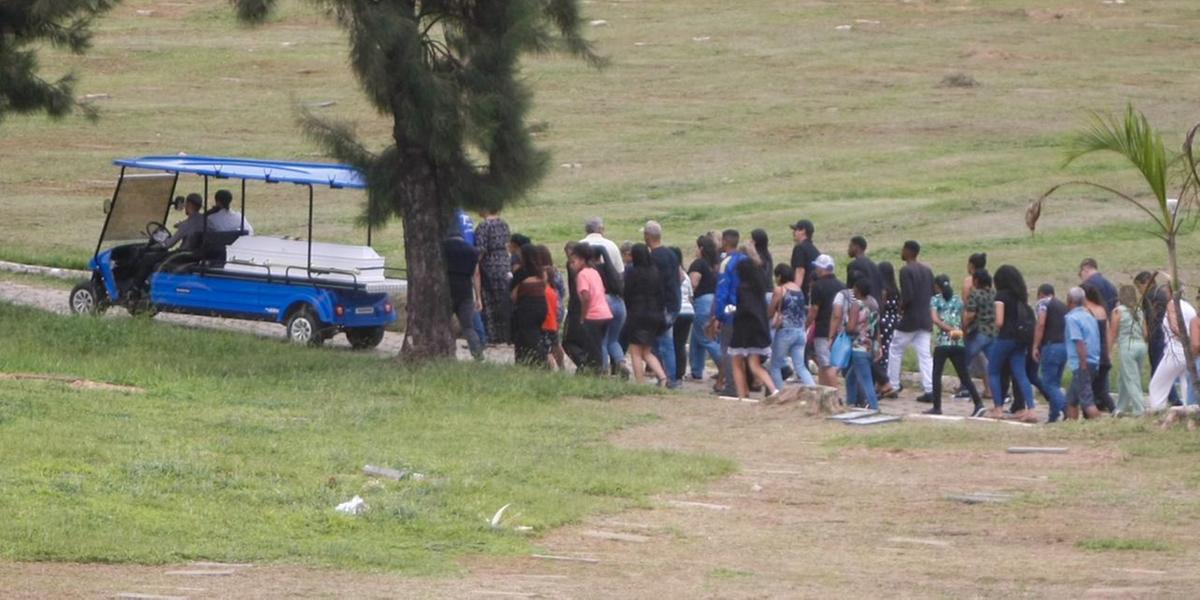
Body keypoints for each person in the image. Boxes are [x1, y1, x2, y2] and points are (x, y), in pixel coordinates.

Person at [926, 275, 983, 416]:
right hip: (958, 339)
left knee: (936, 374)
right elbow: (964, 320)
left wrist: (947, 329)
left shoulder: (935, 300)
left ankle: (937, 407)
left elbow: (935, 319)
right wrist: (958, 332)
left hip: (943, 341)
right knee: (963, 374)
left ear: (937, 287)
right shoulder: (958, 300)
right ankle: (978, 403)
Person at [986, 265, 1034, 420]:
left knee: (993, 371)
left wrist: (991, 323)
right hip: (1020, 339)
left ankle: (998, 408)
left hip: (1005, 337)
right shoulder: (1020, 296)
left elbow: (999, 321)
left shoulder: (1000, 296)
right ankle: (1030, 409)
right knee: (1020, 374)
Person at [888, 241, 934, 401]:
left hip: (910, 319)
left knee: (895, 350)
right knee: (925, 355)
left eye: (902, 249)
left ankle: (892, 385)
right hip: (925, 318)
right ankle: (930, 388)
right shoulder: (927, 270)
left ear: (908, 251)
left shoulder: (906, 270)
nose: (901, 252)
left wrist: (901, 308)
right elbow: (932, 293)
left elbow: (908, 296)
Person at [728, 253, 778, 401]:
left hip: (743, 330)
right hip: (759, 329)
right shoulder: (759, 288)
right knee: (754, 364)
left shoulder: (742, 288)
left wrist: (733, 311)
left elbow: (744, 309)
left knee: (736, 362)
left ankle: (741, 395)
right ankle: (773, 389)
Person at [623, 244, 669, 385]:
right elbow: (661, 293)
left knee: (635, 351)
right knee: (647, 352)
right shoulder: (655, 271)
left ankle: (640, 382)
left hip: (637, 314)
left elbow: (627, 293)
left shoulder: (632, 272)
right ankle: (663, 377)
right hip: (655, 314)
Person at [644, 220, 682, 387]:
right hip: (674, 302)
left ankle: (670, 379)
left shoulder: (652, 257)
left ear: (647, 236)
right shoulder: (671, 254)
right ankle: (667, 377)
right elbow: (680, 276)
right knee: (664, 343)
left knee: (664, 343)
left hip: (662, 305)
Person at [768, 263, 816, 390]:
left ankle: (779, 393)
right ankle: (814, 391)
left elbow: (770, 311)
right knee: (800, 367)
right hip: (800, 331)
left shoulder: (780, 290)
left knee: (775, 366)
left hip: (785, 331)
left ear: (779, 276)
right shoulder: (798, 289)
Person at [1148, 285, 1196, 412]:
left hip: (1175, 350)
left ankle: (1157, 410)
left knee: (1157, 385)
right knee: (1185, 382)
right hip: (1189, 352)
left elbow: (1175, 327)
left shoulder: (1171, 304)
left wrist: (1184, 338)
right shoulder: (1188, 306)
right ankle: (1188, 410)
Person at [1136, 271, 1179, 406]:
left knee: (1158, 369)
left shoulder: (1148, 297)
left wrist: (1146, 335)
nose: (1139, 291)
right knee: (1162, 368)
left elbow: (1148, 320)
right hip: (1167, 335)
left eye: (1139, 287)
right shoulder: (1163, 294)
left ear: (1146, 283)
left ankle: (1171, 400)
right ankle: (1169, 398)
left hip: (1156, 336)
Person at [568, 244, 613, 374]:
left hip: (593, 316)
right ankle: (599, 370)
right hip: (605, 313)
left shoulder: (582, 275)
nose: (572, 265)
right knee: (597, 346)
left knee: (592, 348)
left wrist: (583, 316)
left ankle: (596, 372)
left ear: (582, 260)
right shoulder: (594, 272)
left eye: (573, 261)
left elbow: (586, 297)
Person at [712, 230, 745, 396]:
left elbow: (722, 292)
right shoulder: (745, 261)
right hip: (746, 309)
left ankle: (732, 387)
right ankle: (743, 386)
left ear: (725, 242)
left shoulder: (727, 263)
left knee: (728, 350)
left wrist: (718, 316)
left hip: (731, 310)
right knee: (741, 351)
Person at [443, 230, 484, 361]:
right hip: (465, 293)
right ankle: (478, 355)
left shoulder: (442, 247)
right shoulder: (472, 251)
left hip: (446, 291)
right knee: (468, 327)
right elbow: (476, 275)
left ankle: (448, 353)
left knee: (443, 325)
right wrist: (478, 297)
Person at [840, 278, 880, 410]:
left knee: (866, 379)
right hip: (871, 345)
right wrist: (878, 346)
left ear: (859, 290)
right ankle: (851, 402)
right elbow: (877, 327)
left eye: (855, 288)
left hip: (859, 345)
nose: (853, 291)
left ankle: (873, 407)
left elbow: (851, 327)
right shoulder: (874, 303)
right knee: (851, 376)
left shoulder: (857, 304)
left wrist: (844, 328)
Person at [807, 254, 845, 387]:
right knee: (826, 365)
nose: (816, 269)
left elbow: (814, 310)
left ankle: (834, 395)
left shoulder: (818, 286)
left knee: (826, 365)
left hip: (822, 329)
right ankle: (823, 392)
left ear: (821, 268)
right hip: (839, 330)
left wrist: (806, 325)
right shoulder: (842, 286)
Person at [1032, 284, 1069, 422]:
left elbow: (1041, 324)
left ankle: (1066, 408)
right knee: (1055, 383)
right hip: (1063, 346)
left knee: (1048, 384)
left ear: (1041, 294)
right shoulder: (1063, 306)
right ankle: (1053, 416)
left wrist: (1035, 345)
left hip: (1050, 346)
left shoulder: (1043, 303)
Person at [1065, 287, 1103, 420]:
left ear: (1070, 301)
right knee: (1071, 399)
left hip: (1082, 363)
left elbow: (1079, 342)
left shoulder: (1072, 319)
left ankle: (1100, 424)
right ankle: (1072, 425)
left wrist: (1082, 362)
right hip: (1093, 360)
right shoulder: (1090, 316)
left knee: (1086, 401)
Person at [688, 235, 723, 379]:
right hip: (714, 301)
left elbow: (693, 283)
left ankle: (726, 366)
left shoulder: (698, 264)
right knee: (696, 338)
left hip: (702, 302)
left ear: (701, 248)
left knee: (705, 338)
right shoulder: (714, 266)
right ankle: (696, 370)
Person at [1110, 284, 1148, 416]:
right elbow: (1146, 333)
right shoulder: (1139, 311)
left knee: (1131, 378)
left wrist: (1109, 349)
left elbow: (1113, 333)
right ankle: (1121, 406)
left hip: (1127, 345)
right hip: (1141, 345)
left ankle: (1140, 409)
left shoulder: (1117, 311)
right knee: (1124, 377)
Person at [475, 211, 512, 344]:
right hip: (505, 264)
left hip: (490, 266)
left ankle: (491, 335)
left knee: (488, 299)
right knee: (503, 300)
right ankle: (506, 334)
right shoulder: (504, 224)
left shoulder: (484, 226)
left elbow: (480, 250)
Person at [511, 244, 548, 367]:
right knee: (536, 332)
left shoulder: (521, 272)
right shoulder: (541, 272)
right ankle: (538, 359)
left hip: (527, 306)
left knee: (527, 335)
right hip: (542, 305)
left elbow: (513, 294)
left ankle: (536, 360)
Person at [963, 268, 997, 400]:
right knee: (993, 363)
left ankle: (965, 387)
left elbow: (970, 315)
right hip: (993, 332)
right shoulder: (993, 293)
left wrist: (964, 326)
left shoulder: (975, 294)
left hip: (978, 332)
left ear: (976, 280)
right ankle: (995, 390)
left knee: (964, 361)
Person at [1082, 284, 1115, 412]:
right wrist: (1108, 351)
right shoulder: (1102, 309)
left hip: (1092, 351)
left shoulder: (1085, 311)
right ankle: (1112, 409)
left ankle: (1091, 411)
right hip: (1103, 351)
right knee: (1101, 388)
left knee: (1086, 386)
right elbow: (1107, 331)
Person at [537, 245, 567, 370]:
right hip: (557, 306)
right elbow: (563, 291)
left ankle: (549, 367)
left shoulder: (540, 273)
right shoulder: (556, 271)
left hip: (547, 308)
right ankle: (562, 366)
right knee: (555, 340)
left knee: (545, 344)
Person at [874, 261, 900, 397]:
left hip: (883, 323)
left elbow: (880, 307)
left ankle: (883, 383)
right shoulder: (895, 290)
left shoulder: (883, 290)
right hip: (893, 322)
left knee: (881, 352)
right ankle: (889, 381)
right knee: (889, 352)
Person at [671, 247, 694, 382]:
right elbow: (691, 296)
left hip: (677, 311)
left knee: (671, 343)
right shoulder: (685, 275)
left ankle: (673, 372)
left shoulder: (671, 273)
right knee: (681, 343)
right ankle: (681, 372)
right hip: (688, 311)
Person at [846, 235, 882, 302]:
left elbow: (850, 291)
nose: (848, 249)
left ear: (856, 247)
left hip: (862, 307)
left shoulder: (854, 265)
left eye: (850, 246)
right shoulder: (874, 265)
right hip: (875, 306)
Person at [789, 219, 820, 294]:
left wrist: (794, 294)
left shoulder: (800, 248)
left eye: (796, 230)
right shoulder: (814, 249)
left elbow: (800, 271)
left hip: (804, 291)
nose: (793, 232)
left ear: (803, 231)